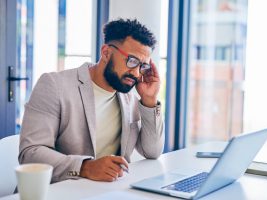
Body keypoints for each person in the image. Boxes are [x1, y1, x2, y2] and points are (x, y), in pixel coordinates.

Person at [19, 18, 164, 183]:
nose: (137, 74)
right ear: (106, 53)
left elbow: (152, 151)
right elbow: (30, 153)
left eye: (143, 66)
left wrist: (150, 100)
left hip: (106, 191)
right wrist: (85, 167)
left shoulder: (130, 94)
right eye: (132, 61)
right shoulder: (54, 85)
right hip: (57, 191)